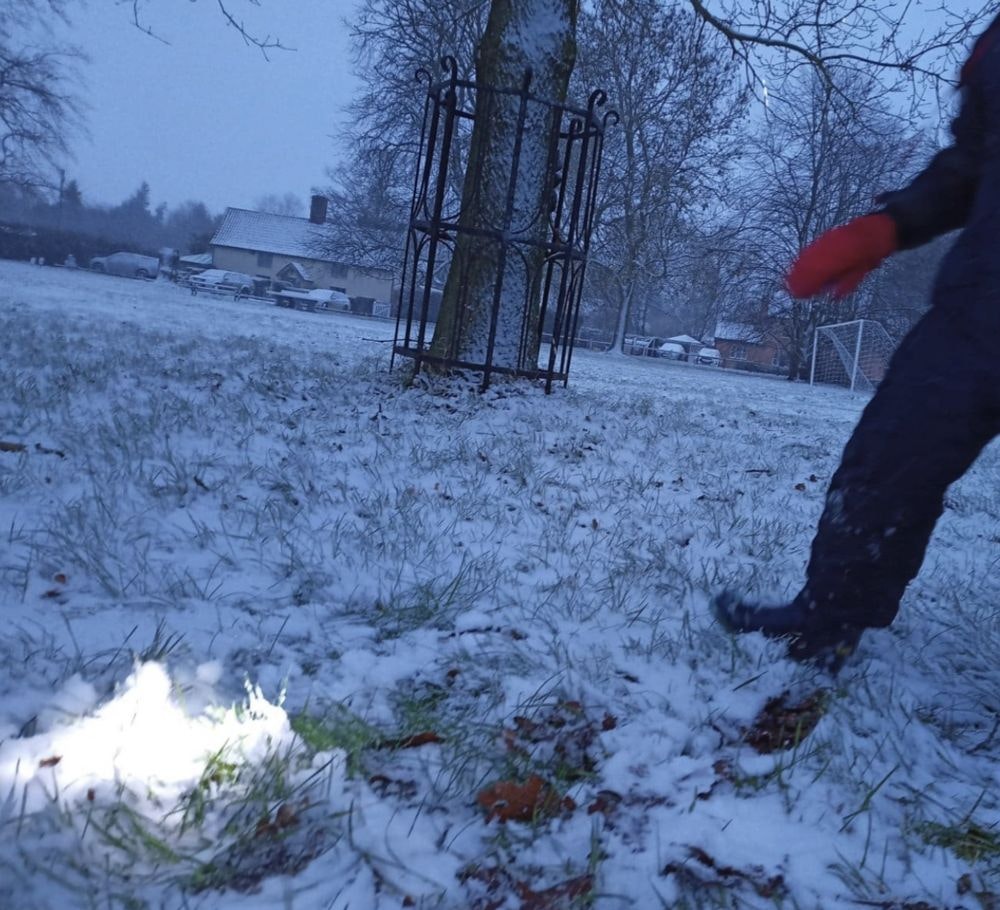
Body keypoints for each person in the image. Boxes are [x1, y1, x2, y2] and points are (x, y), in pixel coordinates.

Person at [712, 15, 1000, 672]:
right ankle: (831, 617)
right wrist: (889, 225)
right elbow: (975, 159)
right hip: (982, 302)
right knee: (887, 461)